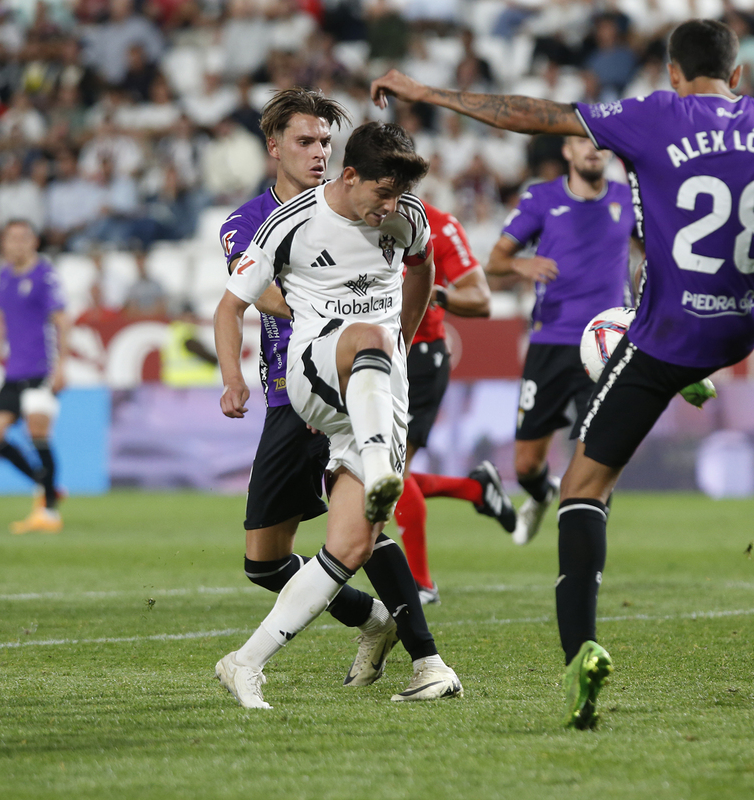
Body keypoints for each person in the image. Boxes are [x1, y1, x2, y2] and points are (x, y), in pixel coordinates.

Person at [370, 18, 754, 729]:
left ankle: (580, 658)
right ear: (739, 75)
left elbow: (531, 115)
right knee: (640, 301)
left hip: (672, 332)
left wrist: (424, 93)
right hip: (743, 326)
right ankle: (685, 369)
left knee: (581, 487)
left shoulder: (655, 115)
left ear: (672, 74)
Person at [214, 121, 463, 709]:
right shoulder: (289, 224)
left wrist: (401, 335)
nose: (391, 208)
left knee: (351, 546)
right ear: (350, 178)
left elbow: (423, 266)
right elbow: (230, 305)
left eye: (399, 195)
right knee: (362, 335)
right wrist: (233, 378)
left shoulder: (408, 217)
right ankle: (381, 471)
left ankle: (245, 662)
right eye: (382, 193)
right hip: (311, 369)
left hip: (379, 390)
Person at [485, 136, 634, 546]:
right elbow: (494, 263)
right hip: (550, 340)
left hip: (607, 348)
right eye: (581, 142)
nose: (592, 149)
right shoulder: (541, 198)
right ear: (566, 151)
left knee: (599, 456)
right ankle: (542, 492)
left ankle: (586, 550)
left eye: (599, 143)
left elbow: (652, 253)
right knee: (526, 463)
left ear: (608, 151)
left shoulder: (627, 198)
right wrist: (520, 263)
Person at [395, 200, 515, 604]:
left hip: (420, 357)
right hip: (372, 354)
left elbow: (480, 300)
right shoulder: (351, 218)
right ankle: (474, 490)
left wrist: (432, 291)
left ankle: (422, 583)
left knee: (392, 471)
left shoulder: (439, 226)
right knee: (366, 471)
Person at [0, 220, 70, 535]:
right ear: (3, 243)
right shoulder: (3, 275)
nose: (16, 244)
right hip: (12, 372)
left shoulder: (44, 275)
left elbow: (62, 321)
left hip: (41, 369)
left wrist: (62, 365)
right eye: (11, 238)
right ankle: (45, 485)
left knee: (37, 431)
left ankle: (49, 512)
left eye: (23, 238)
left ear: (33, 242)